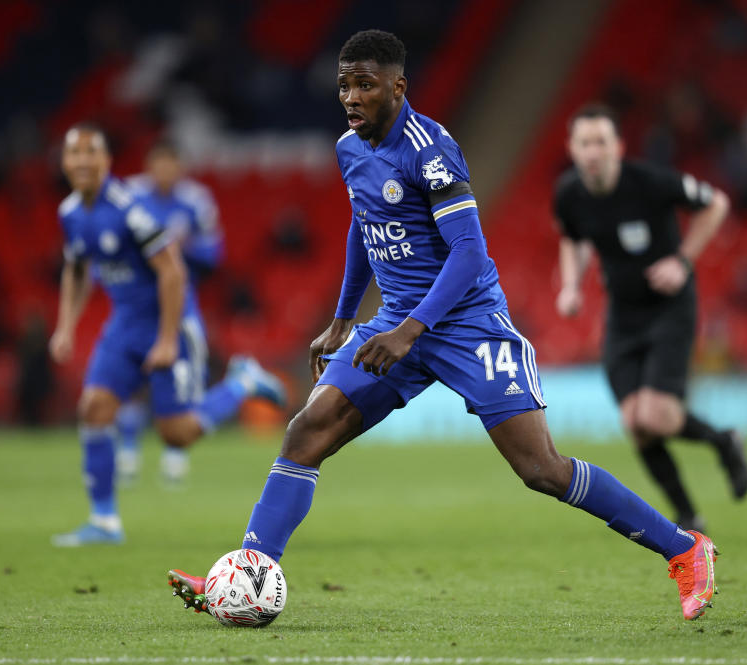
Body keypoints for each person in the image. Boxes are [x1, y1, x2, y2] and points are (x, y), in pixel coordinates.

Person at [166, 30, 718, 621]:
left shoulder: (430, 150)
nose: (351, 98)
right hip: (395, 322)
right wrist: (344, 317)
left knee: (540, 470)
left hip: (467, 324)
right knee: (306, 431)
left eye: (365, 86)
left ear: (398, 87)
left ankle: (685, 549)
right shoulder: (351, 147)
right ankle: (248, 574)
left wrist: (412, 331)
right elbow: (364, 224)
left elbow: (469, 253)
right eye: (344, 85)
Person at [49, 124, 281, 546]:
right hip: (124, 324)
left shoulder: (130, 209)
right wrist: (65, 326)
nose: (82, 161)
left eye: (90, 153)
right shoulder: (70, 213)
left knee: (177, 433)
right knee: (94, 408)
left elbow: (173, 270)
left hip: (169, 323)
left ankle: (243, 382)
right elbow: (78, 268)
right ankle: (104, 522)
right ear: (64, 162)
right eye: (73, 153)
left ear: (106, 161)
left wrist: (168, 338)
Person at [553, 104, 747, 533]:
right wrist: (570, 286)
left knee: (656, 417)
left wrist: (682, 259)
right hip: (622, 316)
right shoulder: (569, 194)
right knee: (635, 424)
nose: (593, 151)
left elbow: (716, 203)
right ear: (572, 148)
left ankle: (724, 442)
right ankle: (688, 513)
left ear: (618, 147)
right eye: (584, 143)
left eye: (601, 142)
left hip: (669, 310)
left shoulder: (650, 182)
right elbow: (572, 239)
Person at [117, 141, 285, 484]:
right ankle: (128, 455)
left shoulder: (195, 201)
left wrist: (183, 245)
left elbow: (214, 253)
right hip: (135, 307)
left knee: (179, 393)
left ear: (179, 167)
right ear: (150, 165)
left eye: (170, 164)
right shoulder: (129, 196)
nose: (164, 171)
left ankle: (176, 457)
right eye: (158, 164)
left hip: (178, 309)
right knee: (128, 380)